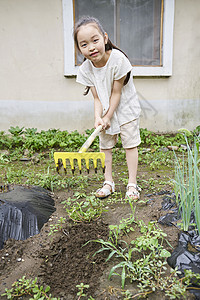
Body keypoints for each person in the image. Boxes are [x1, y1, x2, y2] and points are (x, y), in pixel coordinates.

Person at [74, 16, 141, 200]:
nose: (91, 47)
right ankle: (108, 182)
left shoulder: (118, 60)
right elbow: (96, 97)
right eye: (84, 44)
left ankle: (132, 184)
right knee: (105, 147)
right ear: (79, 49)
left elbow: (117, 92)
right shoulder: (86, 69)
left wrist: (109, 115)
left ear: (104, 38)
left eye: (95, 40)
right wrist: (99, 117)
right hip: (105, 110)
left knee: (130, 145)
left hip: (126, 109)